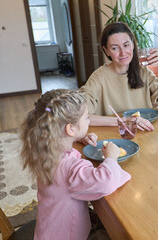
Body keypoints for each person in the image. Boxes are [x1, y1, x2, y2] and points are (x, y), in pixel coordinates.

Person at [20, 89, 131, 240]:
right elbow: (106, 182)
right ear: (70, 129)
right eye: (86, 118)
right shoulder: (70, 168)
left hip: (48, 231)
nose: (89, 121)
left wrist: (77, 138)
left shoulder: (45, 150)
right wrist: (111, 157)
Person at [79, 22, 158, 131]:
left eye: (126, 45)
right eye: (115, 48)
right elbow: (82, 117)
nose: (123, 53)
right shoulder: (98, 78)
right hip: (115, 137)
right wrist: (124, 121)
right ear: (106, 51)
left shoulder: (143, 72)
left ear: (132, 44)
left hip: (145, 133)